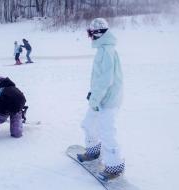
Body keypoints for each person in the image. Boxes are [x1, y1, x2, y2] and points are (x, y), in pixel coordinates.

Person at [77, 18, 124, 181]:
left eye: (91, 34)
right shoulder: (104, 49)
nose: (90, 37)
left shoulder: (106, 51)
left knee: (107, 132)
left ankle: (114, 167)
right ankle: (93, 151)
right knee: (88, 124)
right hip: (99, 98)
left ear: (98, 33)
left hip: (108, 100)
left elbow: (106, 81)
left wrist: (95, 99)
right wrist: (93, 94)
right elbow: (100, 79)